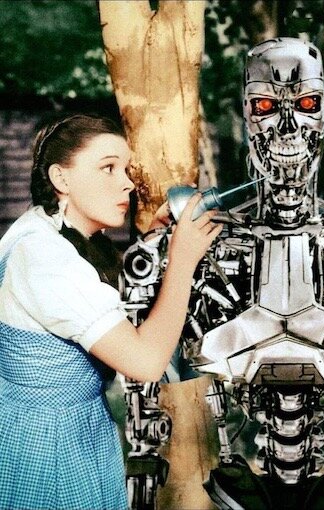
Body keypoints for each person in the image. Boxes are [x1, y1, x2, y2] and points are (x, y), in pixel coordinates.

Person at [0, 113, 222, 509]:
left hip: (42, 430)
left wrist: (153, 243)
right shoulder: (47, 260)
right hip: (53, 450)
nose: (127, 183)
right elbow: (146, 362)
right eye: (108, 168)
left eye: (125, 169)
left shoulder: (37, 230)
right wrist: (183, 260)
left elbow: (91, 303)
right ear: (60, 178)